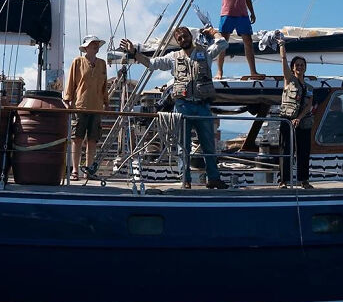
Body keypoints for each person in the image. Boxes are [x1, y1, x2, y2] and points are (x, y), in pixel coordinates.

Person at [119, 26, 229, 189]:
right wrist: (134, 53)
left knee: (208, 145)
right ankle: (185, 179)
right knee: (182, 146)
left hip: (202, 106)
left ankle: (213, 178)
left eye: (185, 36)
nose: (183, 40)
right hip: (183, 106)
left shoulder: (205, 53)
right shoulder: (172, 58)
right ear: (177, 42)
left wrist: (213, 32)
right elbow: (151, 64)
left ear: (190, 36)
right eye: (180, 39)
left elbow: (222, 44)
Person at [63, 35, 109, 181]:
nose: (95, 46)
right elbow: (71, 81)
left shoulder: (102, 64)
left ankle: (89, 170)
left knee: (93, 139)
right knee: (77, 138)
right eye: (93, 44)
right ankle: (75, 170)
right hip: (80, 105)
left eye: (97, 44)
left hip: (96, 106)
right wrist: (68, 99)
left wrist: (106, 102)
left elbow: (104, 85)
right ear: (86, 47)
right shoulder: (77, 62)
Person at [278, 39, 314, 189]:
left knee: (304, 151)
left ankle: (303, 180)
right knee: (286, 151)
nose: (299, 67)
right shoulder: (289, 81)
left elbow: (309, 104)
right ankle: (283, 181)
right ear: (293, 68)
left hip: (303, 122)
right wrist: (282, 46)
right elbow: (283, 60)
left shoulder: (309, 86)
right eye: (297, 65)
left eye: (302, 65)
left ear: (305, 68)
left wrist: (299, 118)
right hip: (287, 120)